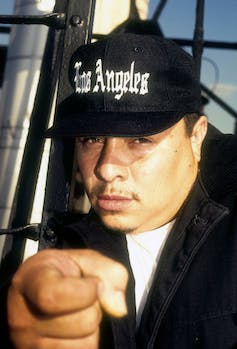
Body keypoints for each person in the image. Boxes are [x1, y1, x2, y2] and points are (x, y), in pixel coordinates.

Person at [2, 32, 237, 348]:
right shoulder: (73, 242)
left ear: (196, 138)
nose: (105, 168)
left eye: (140, 140)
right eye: (91, 139)